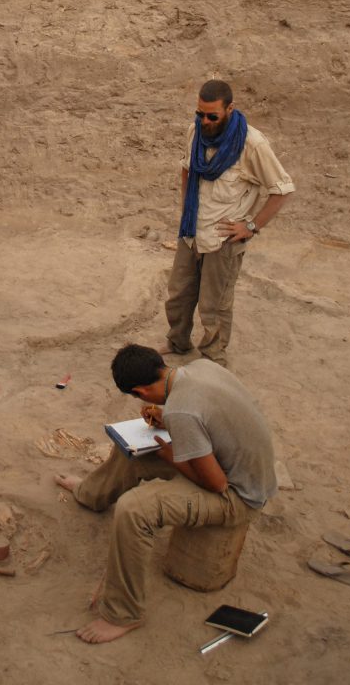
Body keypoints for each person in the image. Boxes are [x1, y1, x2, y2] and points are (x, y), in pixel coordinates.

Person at [56, 343, 277, 644]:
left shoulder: (181, 410)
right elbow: (206, 415)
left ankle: (123, 614)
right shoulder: (198, 368)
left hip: (237, 497)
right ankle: (90, 493)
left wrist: (167, 455)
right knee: (131, 449)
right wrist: (165, 427)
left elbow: (216, 485)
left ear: (140, 391)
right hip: (243, 472)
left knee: (134, 509)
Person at [165, 79, 294, 365]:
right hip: (192, 232)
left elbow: (282, 189)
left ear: (230, 109)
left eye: (212, 116)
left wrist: (250, 226)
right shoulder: (195, 132)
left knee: (214, 305)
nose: (205, 121)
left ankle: (213, 359)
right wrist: (187, 207)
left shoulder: (252, 143)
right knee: (179, 294)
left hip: (223, 239)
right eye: (200, 114)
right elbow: (187, 168)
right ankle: (178, 343)